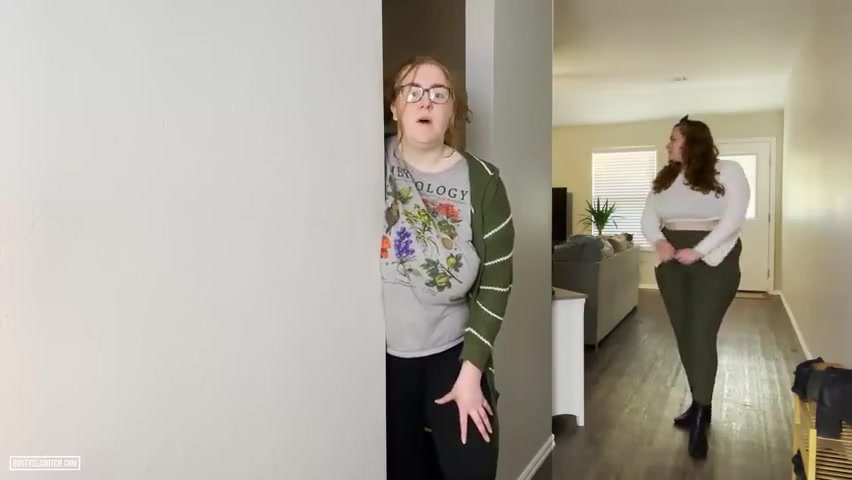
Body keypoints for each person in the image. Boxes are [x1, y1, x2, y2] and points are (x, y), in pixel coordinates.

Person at [379, 55, 515, 480]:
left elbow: (497, 281)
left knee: (472, 468)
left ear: (452, 110)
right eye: (413, 92)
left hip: (454, 355)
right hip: (381, 361)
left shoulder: (483, 181)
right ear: (394, 106)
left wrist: (471, 372)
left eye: (439, 94)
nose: (426, 102)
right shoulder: (367, 162)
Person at [641, 115, 749, 460]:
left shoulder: (727, 171)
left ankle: (701, 414)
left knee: (701, 333)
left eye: (674, 138)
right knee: (685, 334)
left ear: (693, 142)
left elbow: (734, 218)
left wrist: (699, 251)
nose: (668, 144)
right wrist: (659, 241)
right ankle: (699, 401)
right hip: (671, 261)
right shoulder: (665, 177)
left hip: (714, 259)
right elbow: (648, 217)